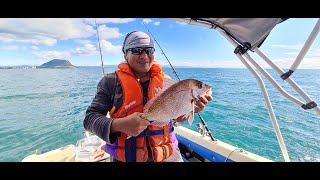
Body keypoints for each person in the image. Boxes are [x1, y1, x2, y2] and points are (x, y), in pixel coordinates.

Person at [83, 31, 213, 162]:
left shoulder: (165, 81)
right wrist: (118, 125)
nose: (144, 55)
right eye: (137, 50)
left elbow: (175, 116)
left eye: (149, 50)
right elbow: (89, 120)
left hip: (168, 155)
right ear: (125, 54)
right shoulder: (111, 81)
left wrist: (191, 108)